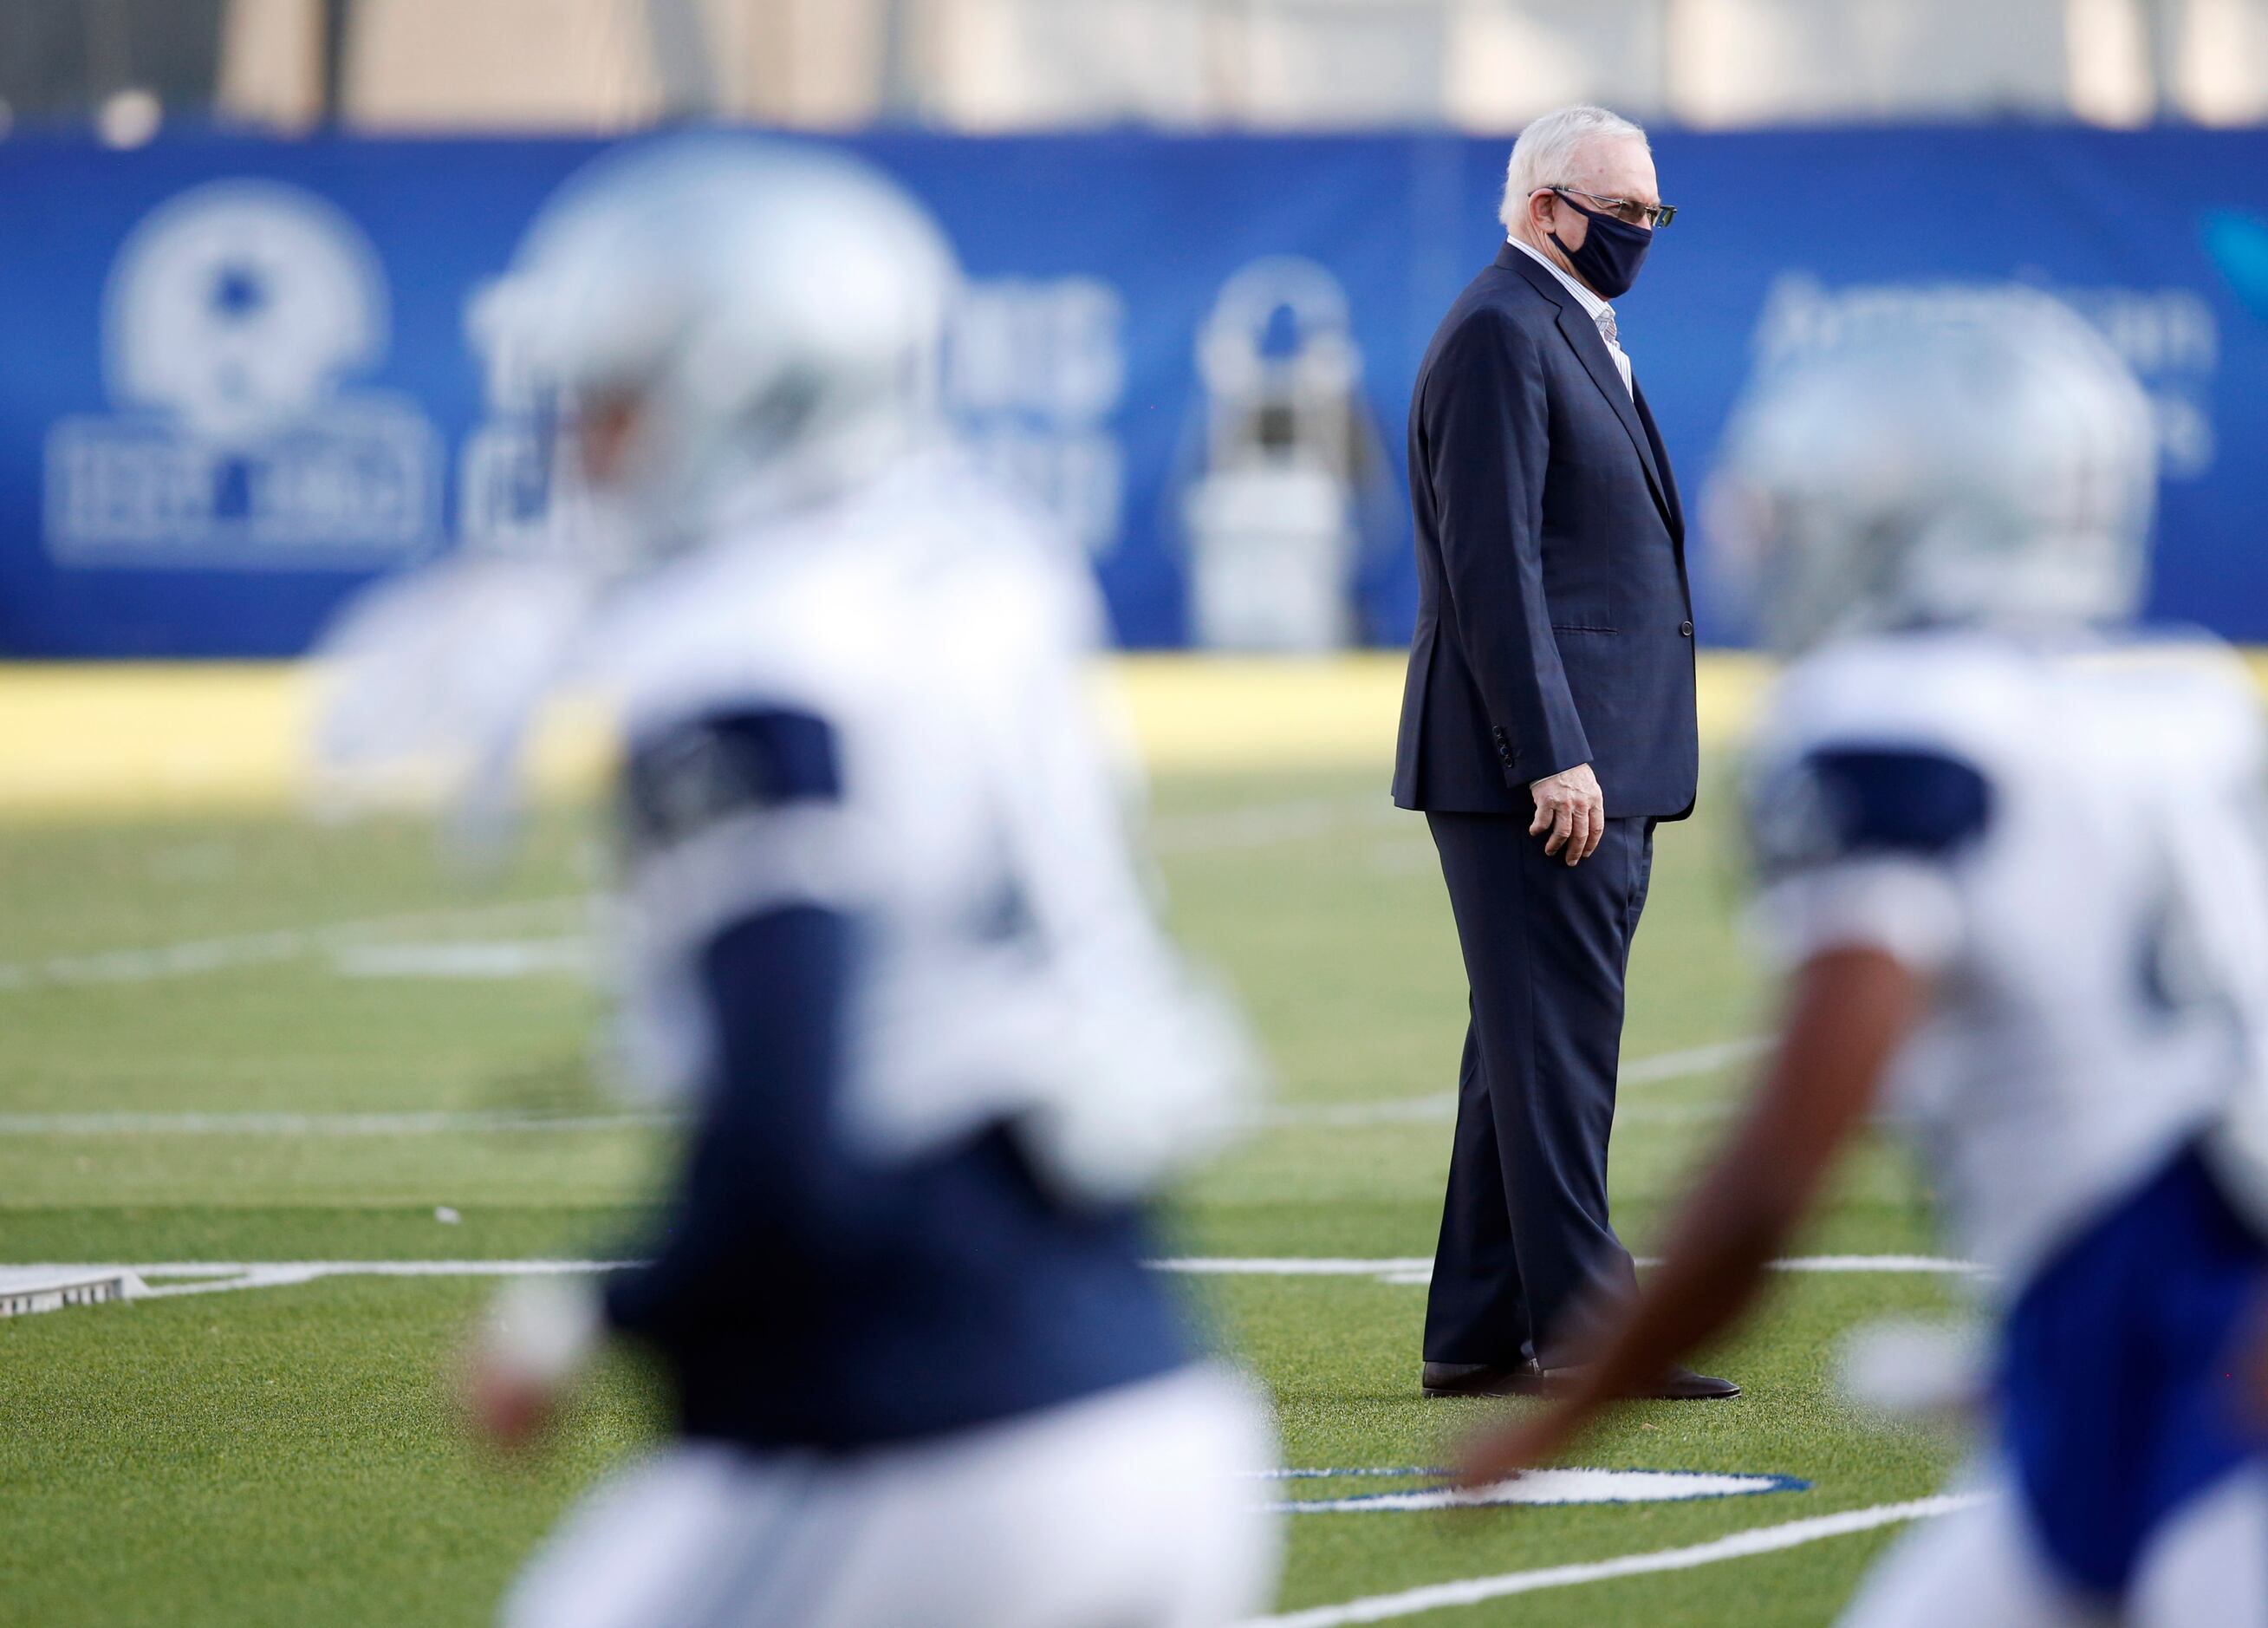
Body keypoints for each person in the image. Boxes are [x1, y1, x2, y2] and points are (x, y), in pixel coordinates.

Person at [318, 134, 1280, 1628]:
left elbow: (790, 1150)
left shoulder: (745, 656)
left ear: (740, 383)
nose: (583, 442)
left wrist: (588, 1311)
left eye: (615, 400)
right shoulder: (971, 569)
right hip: (1156, 1398)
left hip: (931, 1430)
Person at [1459, 292, 2268, 1625]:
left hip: (2195, 1362)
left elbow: (1780, 1168)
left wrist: (1554, 1422)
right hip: (2131, 1345)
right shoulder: (2179, 697)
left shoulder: (1895, 723)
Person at [1391, 102, 1732, 1400]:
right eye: (1622, 211)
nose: (1641, 232)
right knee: (1557, 1049)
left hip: (1591, 755)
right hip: (1540, 769)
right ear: (1546, 207)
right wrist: (1550, 751)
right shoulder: (1499, 331)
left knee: (1524, 1045)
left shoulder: (1560, 327)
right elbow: (1493, 564)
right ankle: (1589, 1332)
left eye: (1654, 212)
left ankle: (1478, 1324)